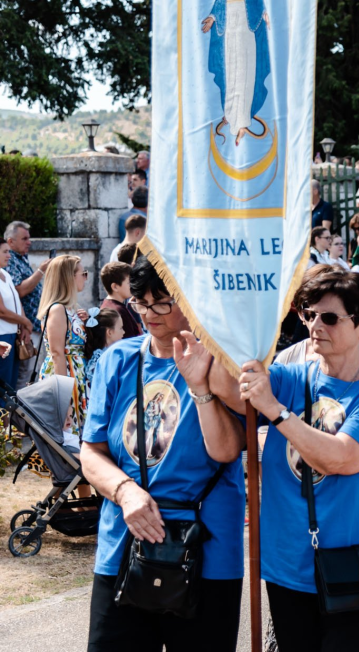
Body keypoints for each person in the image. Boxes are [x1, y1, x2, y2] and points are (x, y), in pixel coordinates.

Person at [211, 269, 359, 652]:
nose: (316, 325)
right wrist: (230, 312)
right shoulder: (289, 377)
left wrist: (276, 411)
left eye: (330, 317)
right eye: (308, 314)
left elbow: (341, 458)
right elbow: (228, 387)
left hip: (358, 566)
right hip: (289, 566)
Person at [81, 257, 246, 651]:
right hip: (125, 540)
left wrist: (200, 384)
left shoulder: (221, 362)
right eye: (141, 302)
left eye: (162, 302)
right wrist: (125, 492)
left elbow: (225, 451)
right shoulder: (117, 360)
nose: (150, 313)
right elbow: (91, 451)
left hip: (206, 547)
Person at [38, 255, 90, 434]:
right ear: (69, 278)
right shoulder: (58, 309)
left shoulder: (72, 308)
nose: (85, 277)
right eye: (83, 273)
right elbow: (57, 353)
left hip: (76, 377)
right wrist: (64, 399)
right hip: (65, 377)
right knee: (67, 436)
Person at [5, 221, 51, 387]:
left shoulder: (21, 258)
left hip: (31, 324)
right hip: (25, 327)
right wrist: (40, 271)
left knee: (31, 372)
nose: (29, 242)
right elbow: (20, 291)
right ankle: (18, 411)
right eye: (24, 238)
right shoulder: (10, 261)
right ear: (11, 241)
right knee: (25, 373)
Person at [0, 240, 33, 390]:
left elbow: (16, 302)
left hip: (13, 335)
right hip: (2, 338)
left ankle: (8, 414)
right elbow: (1, 311)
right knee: (3, 387)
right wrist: (25, 321)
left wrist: (23, 326)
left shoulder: (5, 273)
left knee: (11, 387)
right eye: (5, 252)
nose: (9, 256)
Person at [98, 262, 143, 339]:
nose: (133, 285)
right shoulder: (118, 311)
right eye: (129, 282)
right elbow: (130, 343)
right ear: (115, 287)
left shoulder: (108, 305)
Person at [82, 307, 123, 390]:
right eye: (121, 328)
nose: (124, 332)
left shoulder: (108, 355)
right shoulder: (102, 358)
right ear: (109, 332)